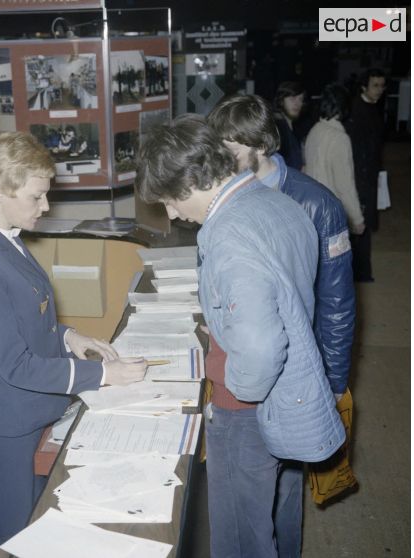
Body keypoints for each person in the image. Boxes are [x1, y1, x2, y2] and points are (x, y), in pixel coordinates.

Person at [135, 114, 344, 558]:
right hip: (293, 392)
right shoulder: (276, 200)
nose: (171, 213)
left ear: (193, 181)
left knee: (239, 537)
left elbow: (262, 349)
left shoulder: (227, 232)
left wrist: (236, 382)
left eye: (170, 200)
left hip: (246, 406)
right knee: (276, 514)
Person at [0, 132, 147, 558]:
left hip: (28, 412)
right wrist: (104, 375)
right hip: (6, 425)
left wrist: (69, 335)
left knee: (31, 525)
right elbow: (15, 365)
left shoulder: (4, 238)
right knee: (5, 534)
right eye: (37, 197)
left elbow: (25, 319)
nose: (46, 207)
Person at [207, 94, 355, 557]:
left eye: (228, 151)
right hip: (245, 369)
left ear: (259, 144)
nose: (220, 163)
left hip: (295, 372)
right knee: (250, 494)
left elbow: (337, 307)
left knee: (286, 490)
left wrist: (333, 383)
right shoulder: (225, 196)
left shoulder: (318, 204)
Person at [305, 83, 365, 236]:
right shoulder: (339, 138)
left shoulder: (314, 130)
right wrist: (356, 218)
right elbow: (344, 184)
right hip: (331, 212)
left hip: (312, 208)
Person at [345, 68, 386, 282]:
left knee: (365, 224)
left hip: (370, 175)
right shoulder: (356, 111)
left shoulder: (374, 108)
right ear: (364, 87)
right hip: (359, 177)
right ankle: (358, 273)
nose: (380, 90)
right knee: (358, 224)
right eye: (375, 85)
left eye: (382, 85)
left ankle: (362, 272)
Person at [273, 81, 305, 170]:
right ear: (281, 100)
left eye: (300, 99)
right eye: (292, 99)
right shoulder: (278, 128)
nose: (297, 104)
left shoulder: (291, 127)